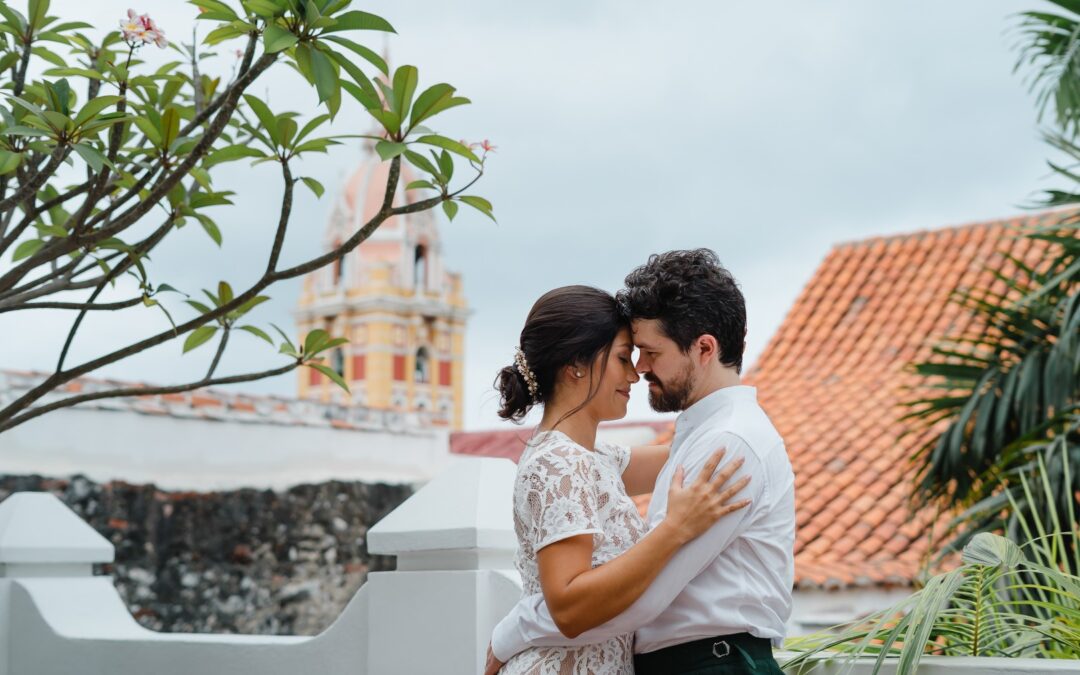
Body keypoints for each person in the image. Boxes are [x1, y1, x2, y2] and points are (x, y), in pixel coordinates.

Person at [487, 250, 795, 675]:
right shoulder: (569, 458)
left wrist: (511, 632)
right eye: (626, 356)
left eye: (648, 351)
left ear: (704, 348)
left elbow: (642, 598)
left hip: (710, 662)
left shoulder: (725, 442)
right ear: (576, 367)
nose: (638, 370)